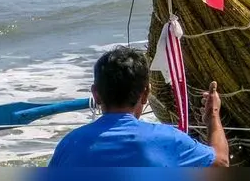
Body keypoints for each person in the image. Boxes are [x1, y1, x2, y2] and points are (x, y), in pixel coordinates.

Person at [49, 47, 229, 167]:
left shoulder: (69, 144)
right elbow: (221, 162)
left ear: (96, 94)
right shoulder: (168, 139)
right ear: (145, 94)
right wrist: (212, 115)